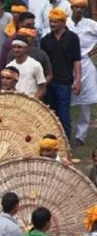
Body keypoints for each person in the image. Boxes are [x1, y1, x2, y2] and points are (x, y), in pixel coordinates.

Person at [41, 8, 81, 141]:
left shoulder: (72, 38)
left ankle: (66, 144)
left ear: (64, 22)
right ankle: (50, 143)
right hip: (50, 82)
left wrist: (78, 81)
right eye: (51, 21)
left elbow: (77, 61)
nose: (52, 24)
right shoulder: (46, 40)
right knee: (50, 114)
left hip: (65, 82)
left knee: (64, 115)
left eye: (56, 22)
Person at [66, 0, 97, 147]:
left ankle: (81, 135)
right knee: (66, 100)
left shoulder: (91, 25)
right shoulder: (65, 23)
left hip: (85, 64)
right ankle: (66, 132)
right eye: (76, 7)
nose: (79, 10)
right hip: (67, 65)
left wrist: (93, 51)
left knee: (86, 103)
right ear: (71, 7)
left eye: (82, 7)